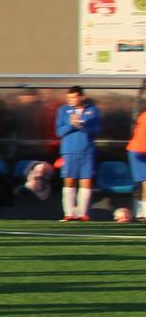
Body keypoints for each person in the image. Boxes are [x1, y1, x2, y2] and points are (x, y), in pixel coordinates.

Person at [55, 86, 102, 221]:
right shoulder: (63, 110)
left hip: (87, 151)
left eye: (74, 97)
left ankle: (82, 214)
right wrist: (71, 124)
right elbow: (59, 132)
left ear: (82, 97)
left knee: (86, 182)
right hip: (69, 151)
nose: (71, 100)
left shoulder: (93, 110)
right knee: (69, 181)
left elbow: (96, 131)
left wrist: (82, 126)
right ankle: (69, 213)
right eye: (69, 97)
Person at [127, 104, 146, 222]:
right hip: (138, 152)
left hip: (140, 151)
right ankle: (142, 214)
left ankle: (140, 214)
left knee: (141, 184)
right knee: (143, 183)